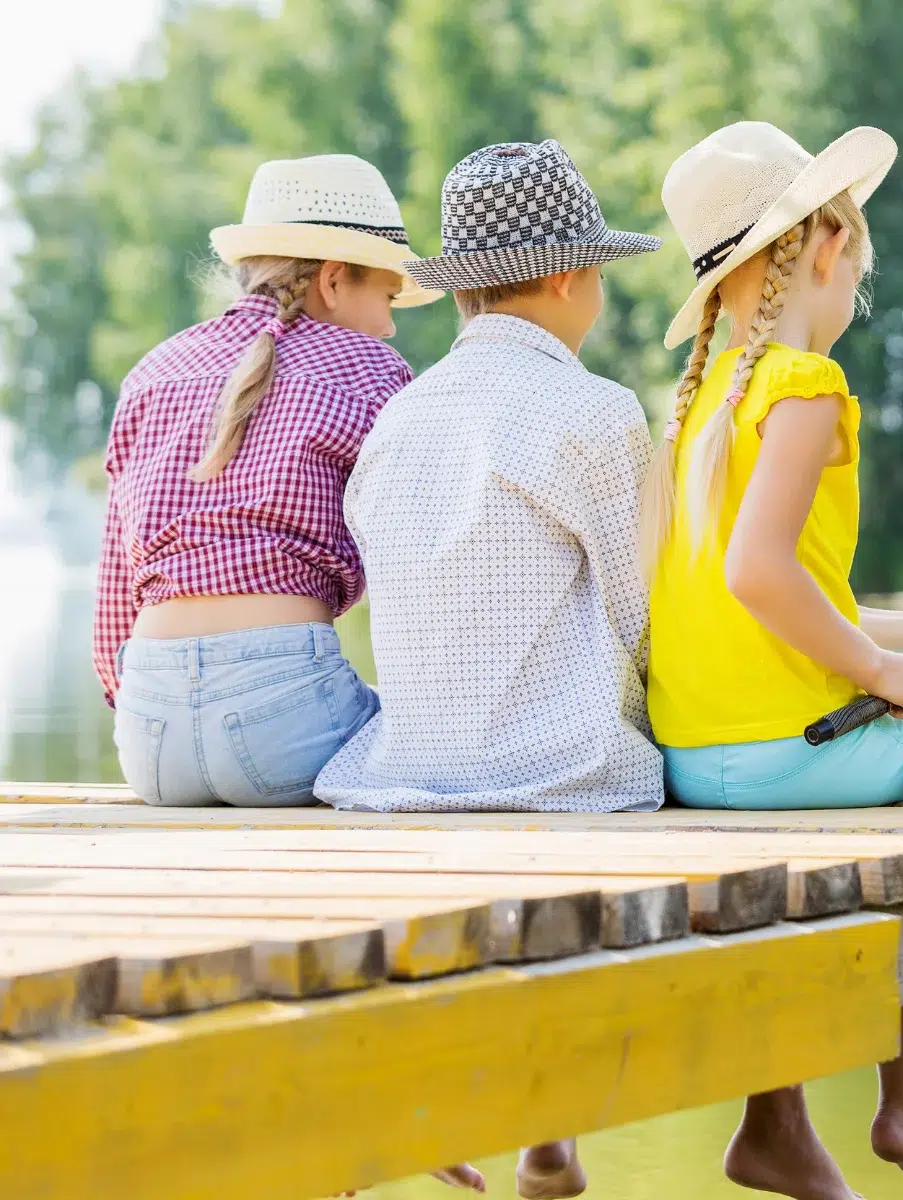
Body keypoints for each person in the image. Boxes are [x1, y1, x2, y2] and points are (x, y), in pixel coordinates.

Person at [647, 121, 903, 1200]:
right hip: (791, 759)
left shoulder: (698, 409)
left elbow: (779, 600)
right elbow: (758, 576)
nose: (852, 298)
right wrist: (884, 678)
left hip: (700, 760)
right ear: (827, 242)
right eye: (858, 274)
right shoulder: (802, 389)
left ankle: (887, 1108)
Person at [313, 137, 663, 1199]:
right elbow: (646, 623)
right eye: (598, 269)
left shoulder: (397, 419)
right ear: (569, 276)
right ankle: (552, 1132)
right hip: (563, 777)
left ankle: (526, 1131)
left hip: (407, 773)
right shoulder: (598, 412)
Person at [94, 153, 439, 808]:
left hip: (148, 738)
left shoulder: (151, 372)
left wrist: (144, 712)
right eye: (387, 296)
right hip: (287, 723)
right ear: (334, 280)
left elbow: (114, 598)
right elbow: (418, 574)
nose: (392, 323)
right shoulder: (371, 368)